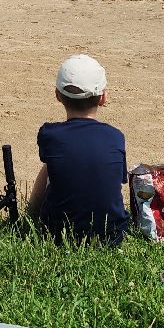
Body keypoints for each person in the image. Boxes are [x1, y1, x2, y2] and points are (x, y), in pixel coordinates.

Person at [25, 54, 130, 245]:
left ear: (57, 95)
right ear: (103, 98)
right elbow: (118, 180)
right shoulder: (116, 136)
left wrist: (32, 214)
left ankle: (30, 213)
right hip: (111, 235)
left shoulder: (50, 134)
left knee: (51, 165)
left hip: (58, 234)